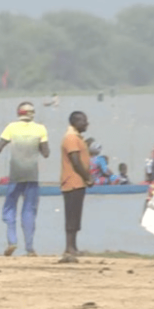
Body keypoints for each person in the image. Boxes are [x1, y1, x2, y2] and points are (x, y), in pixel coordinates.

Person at [0, 102, 50, 256]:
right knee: (29, 210)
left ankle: (12, 241)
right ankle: (30, 247)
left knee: (10, 207)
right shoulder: (40, 129)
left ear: (18, 113)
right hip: (32, 175)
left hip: (15, 174)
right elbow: (46, 153)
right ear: (32, 113)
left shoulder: (11, 128)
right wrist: (38, 144)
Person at [60, 111, 93, 263]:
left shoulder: (77, 137)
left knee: (75, 215)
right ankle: (69, 247)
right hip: (72, 182)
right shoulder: (71, 138)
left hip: (78, 182)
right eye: (84, 121)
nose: (87, 123)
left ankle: (73, 246)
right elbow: (75, 160)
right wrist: (87, 177)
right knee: (72, 215)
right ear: (75, 122)